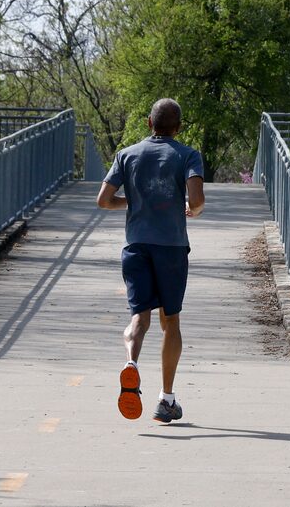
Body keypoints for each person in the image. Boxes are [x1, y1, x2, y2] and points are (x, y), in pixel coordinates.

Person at [97, 98, 205, 423]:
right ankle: (166, 400)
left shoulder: (126, 155)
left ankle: (131, 362)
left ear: (149, 123)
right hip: (171, 248)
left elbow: (103, 200)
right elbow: (197, 200)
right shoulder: (187, 155)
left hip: (136, 247)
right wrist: (192, 209)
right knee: (170, 321)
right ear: (179, 127)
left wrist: (132, 201)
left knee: (138, 320)